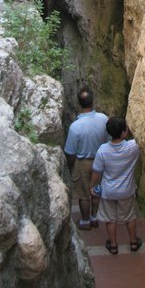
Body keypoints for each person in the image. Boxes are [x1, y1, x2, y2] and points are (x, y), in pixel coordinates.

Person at [90, 116, 141, 255]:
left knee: (110, 218)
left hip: (108, 191)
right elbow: (142, 140)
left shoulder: (103, 150)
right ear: (124, 132)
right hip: (126, 190)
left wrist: (92, 186)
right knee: (130, 216)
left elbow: (97, 172)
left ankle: (113, 245)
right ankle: (133, 242)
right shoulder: (133, 147)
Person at [64, 86, 109, 230]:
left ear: (79, 103)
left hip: (83, 163)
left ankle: (84, 221)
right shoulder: (103, 119)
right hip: (100, 161)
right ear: (92, 101)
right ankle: (94, 217)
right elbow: (109, 140)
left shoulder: (75, 127)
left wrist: (71, 167)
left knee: (84, 194)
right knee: (96, 190)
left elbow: (70, 152)